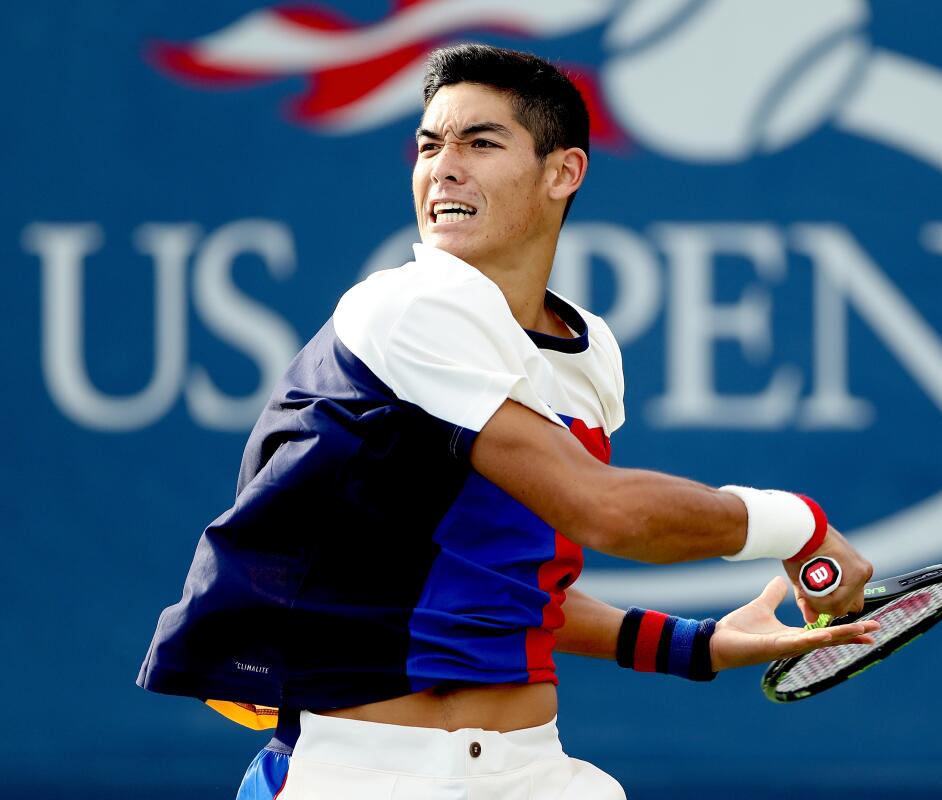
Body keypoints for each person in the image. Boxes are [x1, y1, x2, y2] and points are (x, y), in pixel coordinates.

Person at [137, 43, 878, 800]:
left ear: (563, 172)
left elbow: (503, 582)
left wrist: (691, 644)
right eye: (429, 145)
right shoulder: (404, 307)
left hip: (536, 771)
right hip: (360, 774)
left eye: (480, 142)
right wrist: (800, 524)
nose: (443, 167)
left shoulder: (589, 353)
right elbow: (607, 512)